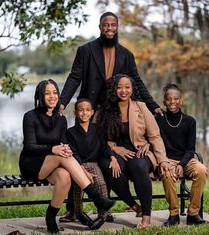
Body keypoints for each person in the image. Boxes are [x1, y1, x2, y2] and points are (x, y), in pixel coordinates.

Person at [59, 11, 163, 222]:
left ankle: (103, 210)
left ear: (117, 27)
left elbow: (137, 82)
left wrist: (153, 106)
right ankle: (73, 209)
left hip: (111, 112)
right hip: (88, 110)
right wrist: (62, 101)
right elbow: (74, 77)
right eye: (106, 25)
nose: (109, 29)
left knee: (104, 159)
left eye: (113, 25)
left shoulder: (126, 54)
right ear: (100, 26)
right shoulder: (86, 50)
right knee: (78, 156)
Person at [19, 79, 115, 234]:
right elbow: (30, 146)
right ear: (40, 96)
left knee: (65, 177)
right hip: (31, 163)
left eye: (55, 92)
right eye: (47, 93)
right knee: (61, 153)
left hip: (53, 164)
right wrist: (53, 149)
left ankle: (50, 218)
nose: (52, 96)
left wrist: (81, 169)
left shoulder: (61, 119)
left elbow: (65, 148)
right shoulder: (30, 116)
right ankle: (96, 196)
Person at [97, 74, 170, 229]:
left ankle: (146, 215)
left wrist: (162, 159)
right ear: (113, 89)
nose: (123, 91)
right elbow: (97, 136)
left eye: (127, 87)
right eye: (119, 87)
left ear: (132, 89)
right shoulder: (105, 108)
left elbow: (155, 135)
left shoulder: (141, 107)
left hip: (139, 150)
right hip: (116, 150)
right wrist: (114, 148)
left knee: (138, 167)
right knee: (109, 167)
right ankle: (133, 205)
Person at [155, 83, 208, 226]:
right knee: (167, 174)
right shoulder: (158, 119)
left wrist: (181, 164)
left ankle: (193, 214)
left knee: (201, 170)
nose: (172, 102)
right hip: (166, 160)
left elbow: (190, 149)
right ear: (164, 101)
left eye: (176, 98)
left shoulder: (190, 121)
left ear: (181, 100)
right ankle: (174, 214)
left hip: (186, 159)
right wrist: (165, 162)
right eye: (169, 99)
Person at [66, 98, 115, 227]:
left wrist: (112, 157)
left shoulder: (97, 129)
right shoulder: (70, 132)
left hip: (94, 164)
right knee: (78, 189)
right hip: (77, 165)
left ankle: (102, 216)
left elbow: (104, 147)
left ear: (92, 112)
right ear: (76, 112)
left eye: (88, 110)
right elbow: (74, 153)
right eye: (81, 110)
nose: (84, 113)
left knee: (101, 185)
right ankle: (79, 213)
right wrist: (82, 169)